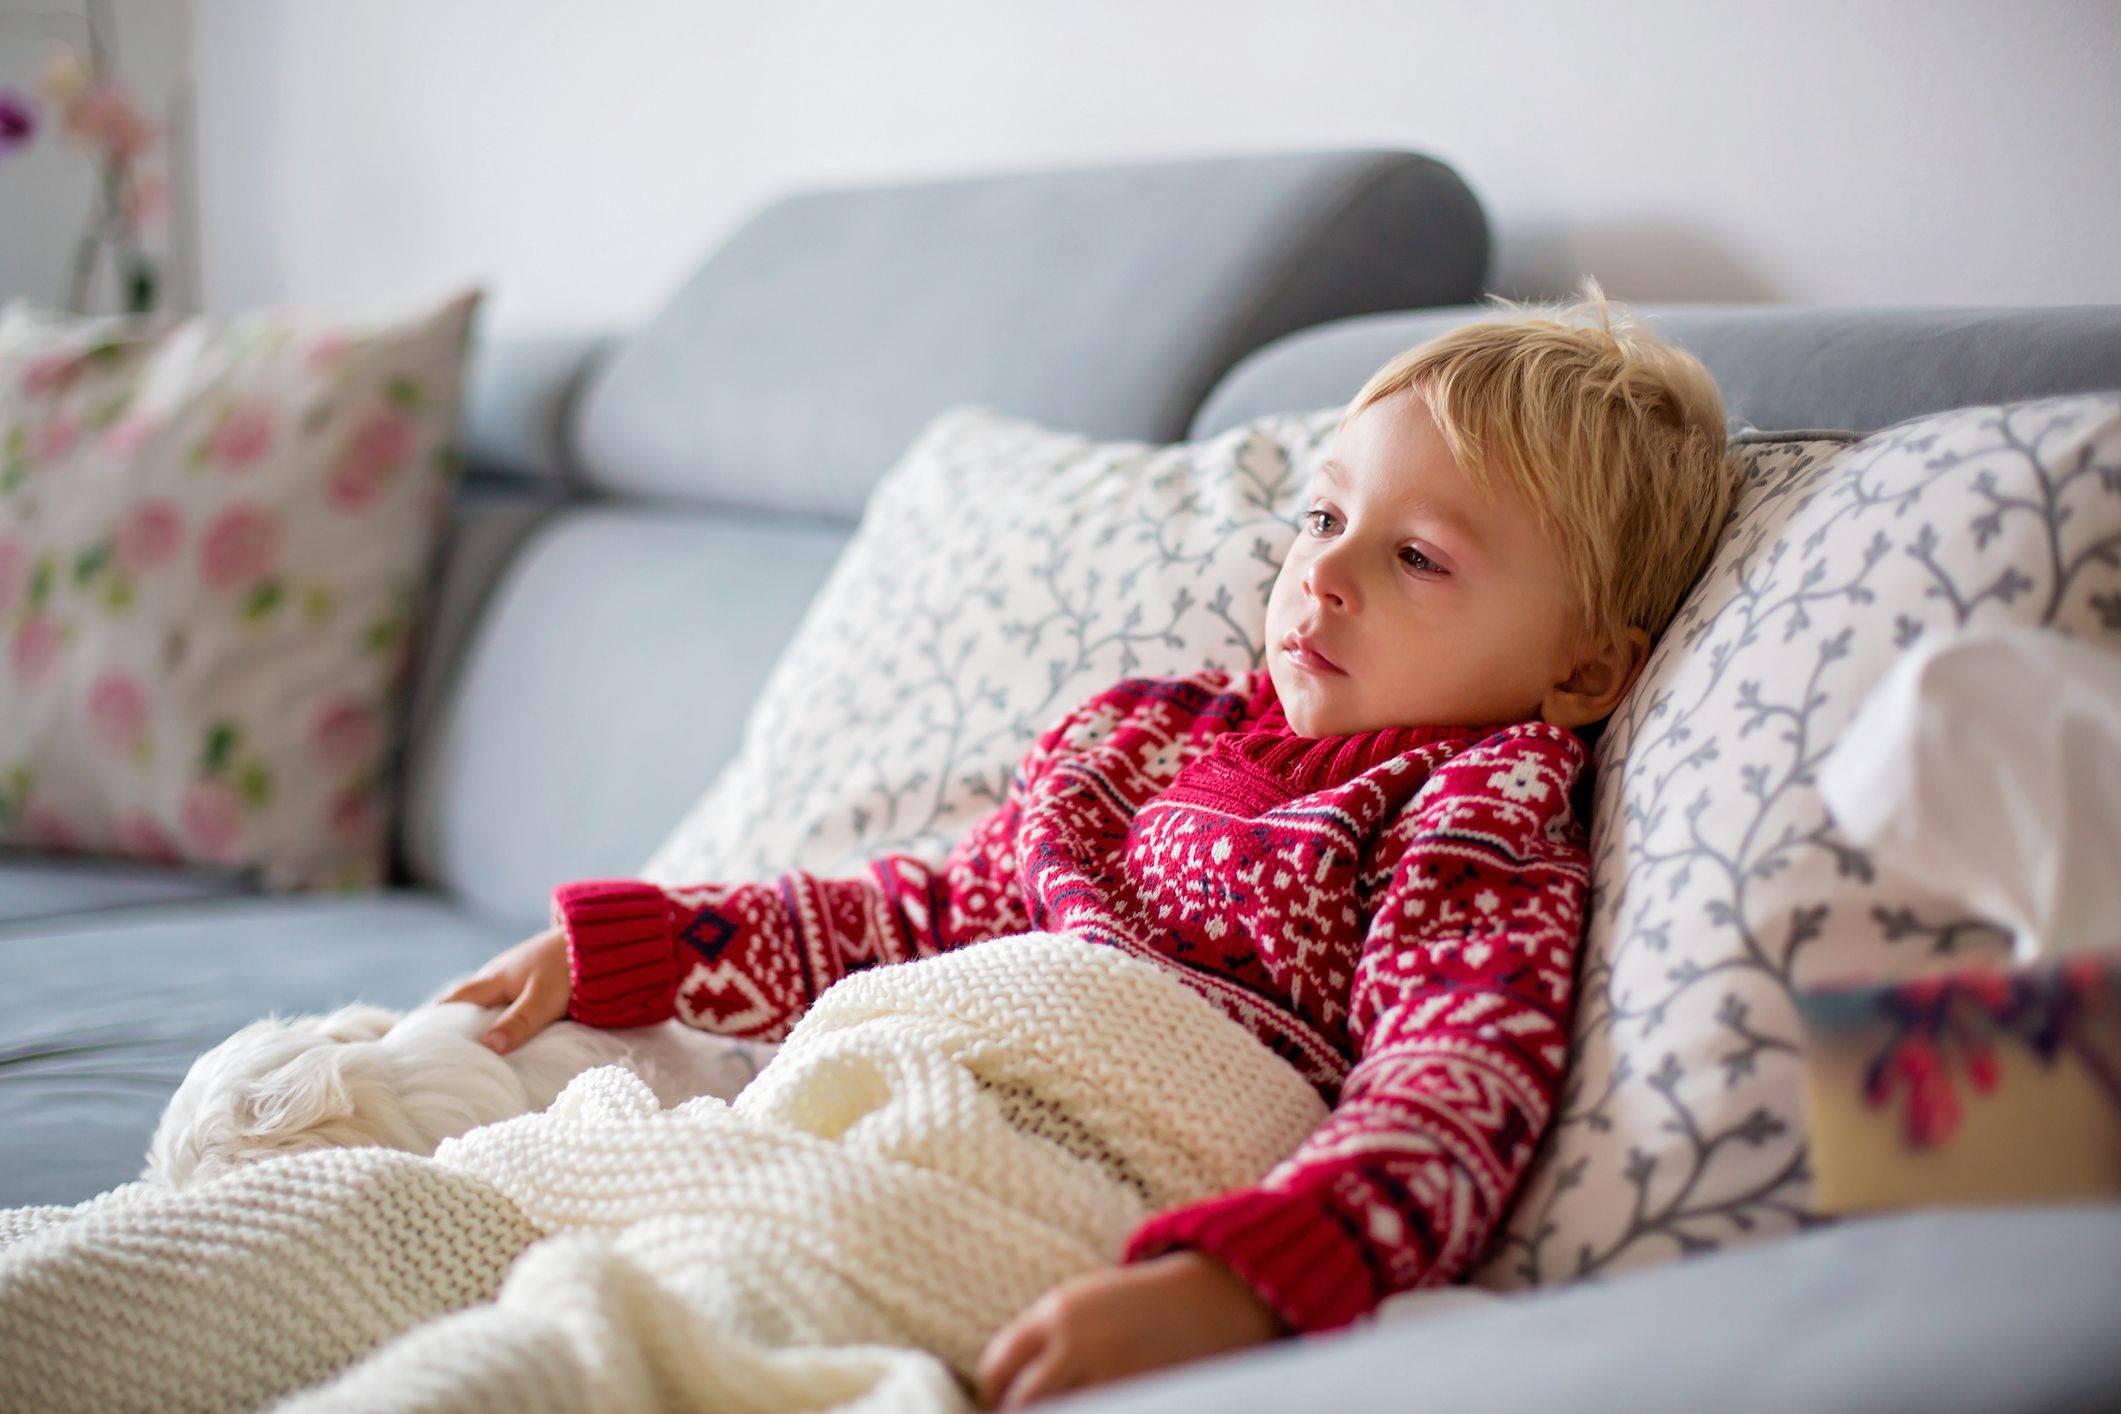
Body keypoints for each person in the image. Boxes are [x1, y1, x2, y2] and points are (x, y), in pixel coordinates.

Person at [440, 278, 1738, 1408]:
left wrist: (1240, 1282)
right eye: (1322, 520)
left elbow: (1455, 1079)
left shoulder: (1471, 809)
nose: (1326, 577)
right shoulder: (1135, 740)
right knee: (462, 1215)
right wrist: (650, 943)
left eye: (1416, 557)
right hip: (879, 1071)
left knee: (627, 1333)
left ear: (1581, 668)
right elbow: (931, 913)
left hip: (1071, 1155)